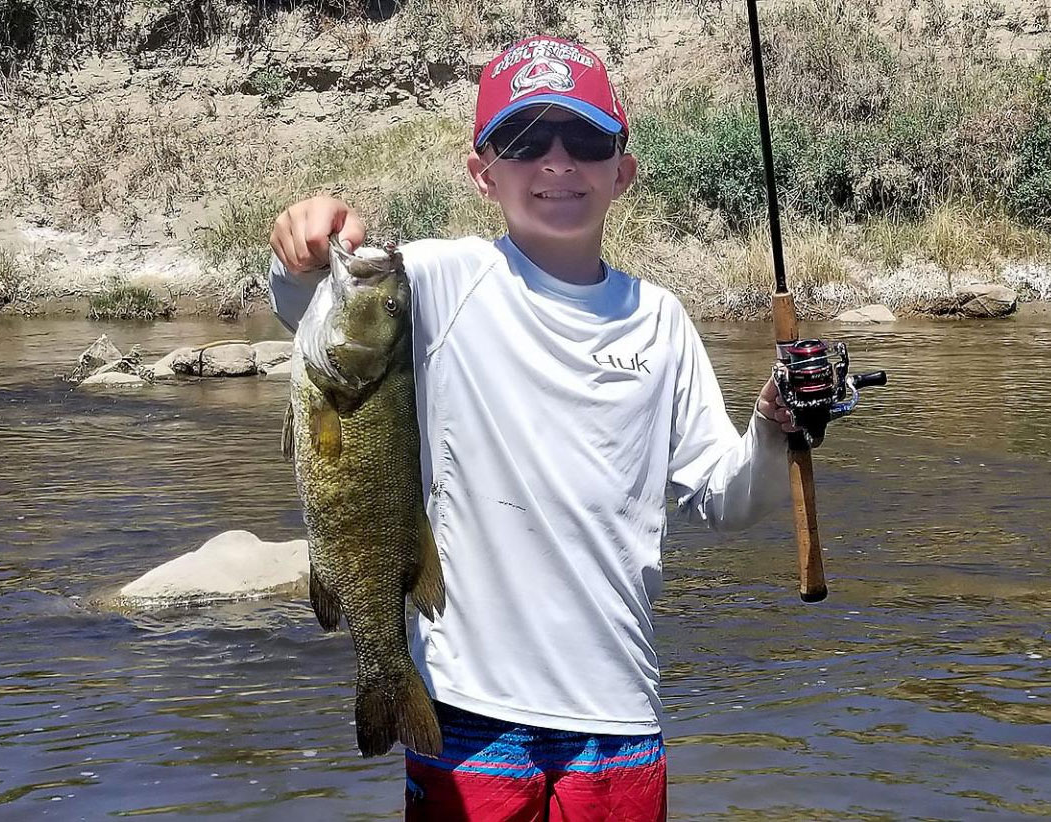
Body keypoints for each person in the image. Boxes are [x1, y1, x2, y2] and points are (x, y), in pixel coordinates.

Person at [268, 34, 799, 821]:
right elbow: (311, 303)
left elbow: (726, 500)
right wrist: (306, 243)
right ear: (483, 172)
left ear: (622, 170)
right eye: (526, 142)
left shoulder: (661, 321)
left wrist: (775, 426)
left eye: (585, 140)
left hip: (618, 717)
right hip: (465, 710)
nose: (557, 163)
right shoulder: (437, 282)